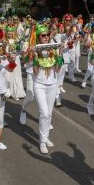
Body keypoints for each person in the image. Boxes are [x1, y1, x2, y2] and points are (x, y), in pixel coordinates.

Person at [27, 24, 63, 154]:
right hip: (40, 85)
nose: (46, 37)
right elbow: (36, 72)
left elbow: (58, 71)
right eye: (43, 35)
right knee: (44, 113)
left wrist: (60, 54)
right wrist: (35, 57)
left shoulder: (53, 50)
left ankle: (45, 137)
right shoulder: (35, 50)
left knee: (50, 113)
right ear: (38, 37)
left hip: (52, 84)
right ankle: (42, 142)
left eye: (48, 35)